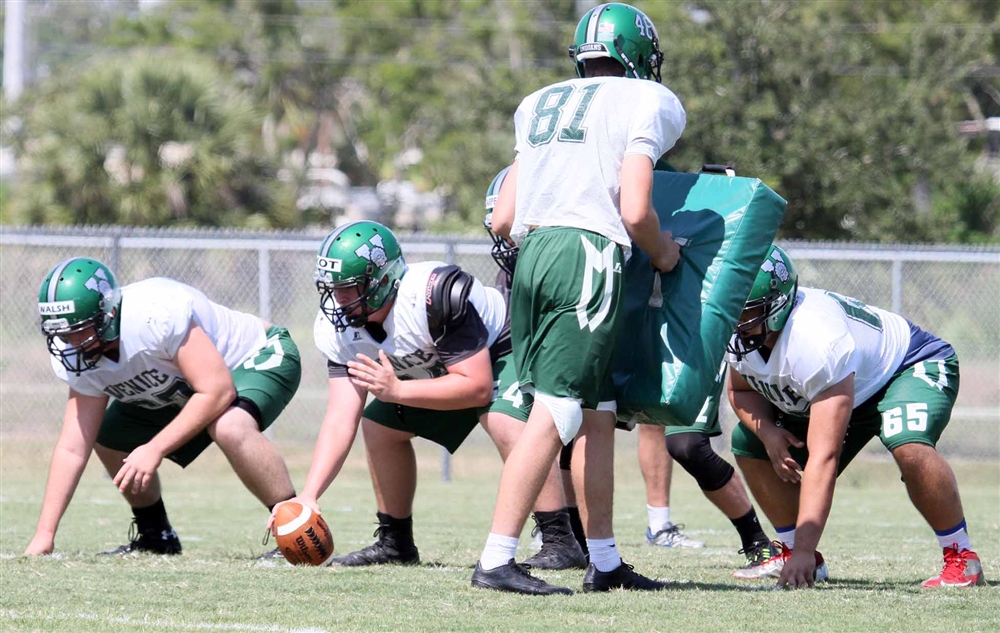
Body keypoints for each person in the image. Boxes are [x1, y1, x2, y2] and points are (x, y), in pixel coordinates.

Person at [473, 3, 685, 595]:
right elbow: (637, 210)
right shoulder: (650, 101)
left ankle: (607, 561)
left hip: (533, 253)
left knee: (596, 412)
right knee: (563, 410)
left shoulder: (536, 101)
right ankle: (495, 558)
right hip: (586, 254)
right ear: (639, 55)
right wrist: (666, 256)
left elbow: (504, 216)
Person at [268, 220, 586, 571]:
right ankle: (396, 542)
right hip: (438, 369)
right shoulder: (338, 328)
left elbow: (477, 385)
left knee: (504, 420)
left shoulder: (434, 294)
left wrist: (399, 389)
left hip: (499, 350)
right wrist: (309, 496)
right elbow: (341, 416)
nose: (338, 300)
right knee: (378, 428)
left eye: (348, 288)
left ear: (382, 280)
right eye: (332, 288)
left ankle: (560, 540)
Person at [727, 245, 985, 589]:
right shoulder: (744, 333)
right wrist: (769, 433)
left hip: (905, 366)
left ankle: (961, 557)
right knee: (748, 440)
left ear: (776, 307)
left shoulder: (815, 341)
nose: (736, 322)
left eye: (747, 313)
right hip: (846, 383)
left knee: (906, 440)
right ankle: (796, 552)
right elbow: (741, 390)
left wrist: (806, 547)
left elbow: (824, 457)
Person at [25, 257, 300, 556]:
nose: (70, 342)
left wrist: (154, 448)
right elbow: (72, 447)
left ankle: (298, 530)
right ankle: (156, 535)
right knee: (108, 439)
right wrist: (44, 535)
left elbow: (217, 391)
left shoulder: (153, 315)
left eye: (78, 330)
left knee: (229, 425)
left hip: (252, 357)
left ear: (108, 314)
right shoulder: (78, 351)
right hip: (183, 385)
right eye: (60, 333)